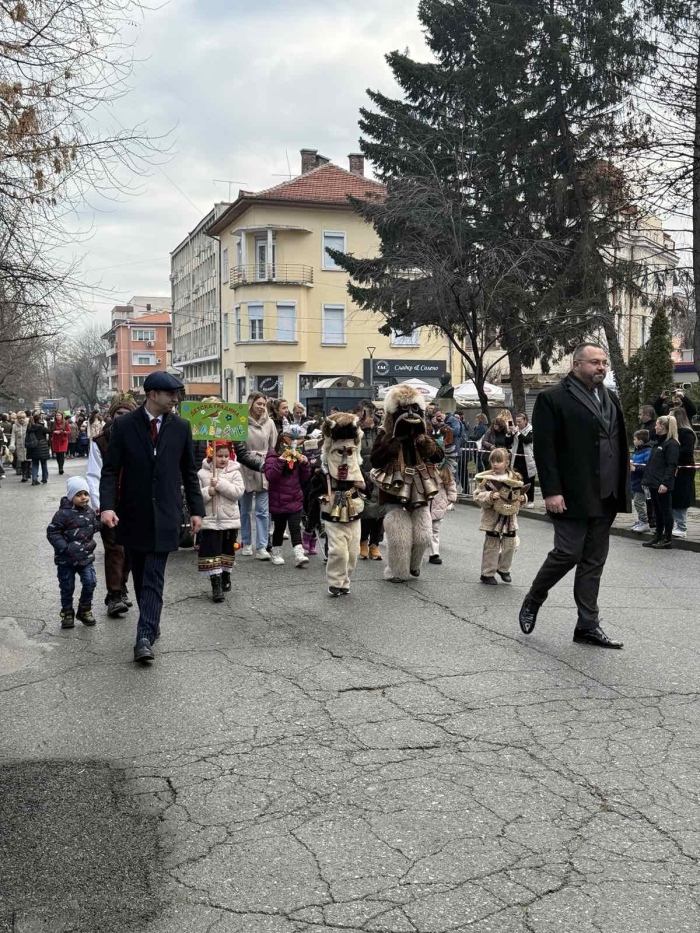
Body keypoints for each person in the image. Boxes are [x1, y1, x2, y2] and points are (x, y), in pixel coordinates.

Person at [518, 343, 630, 649]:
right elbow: (545, 448)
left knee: (593, 561)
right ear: (577, 364)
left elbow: (615, 440)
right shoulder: (551, 398)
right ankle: (534, 598)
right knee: (568, 553)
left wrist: (623, 481)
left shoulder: (610, 397)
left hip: (607, 492)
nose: (602, 367)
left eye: (604, 363)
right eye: (595, 362)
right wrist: (551, 490)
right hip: (570, 494)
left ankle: (587, 625)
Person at [99, 371, 204, 663]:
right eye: (171, 394)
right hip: (133, 513)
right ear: (153, 395)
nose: (175, 399)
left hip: (166, 514)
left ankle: (144, 636)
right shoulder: (123, 425)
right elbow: (110, 470)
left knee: (154, 576)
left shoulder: (181, 427)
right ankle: (151, 623)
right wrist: (107, 507)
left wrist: (197, 511)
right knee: (141, 574)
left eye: (177, 394)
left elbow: (189, 473)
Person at [87, 394, 138, 617]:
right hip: (110, 502)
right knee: (114, 548)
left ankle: (122, 586)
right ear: (112, 415)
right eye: (119, 414)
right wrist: (101, 506)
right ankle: (114, 595)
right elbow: (94, 475)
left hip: (134, 500)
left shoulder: (140, 436)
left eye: (127, 414)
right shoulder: (101, 441)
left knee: (129, 548)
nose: (122, 418)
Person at [310, 413, 366, 595]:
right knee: (338, 551)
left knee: (353, 552)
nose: (344, 456)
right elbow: (312, 494)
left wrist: (362, 484)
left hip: (354, 512)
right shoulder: (323, 472)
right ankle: (335, 582)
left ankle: (345, 581)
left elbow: (369, 490)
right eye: (340, 452)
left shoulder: (357, 469)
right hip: (332, 513)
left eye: (348, 452)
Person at [46, 476, 100, 629]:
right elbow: (52, 532)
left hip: (85, 557)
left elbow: (93, 526)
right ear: (71, 496)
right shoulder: (62, 514)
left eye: (86, 494)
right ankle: (67, 612)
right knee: (67, 587)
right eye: (79, 494)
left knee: (90, 582)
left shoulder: (90, 512)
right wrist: (64, 547)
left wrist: (103, 520)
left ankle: (85, 609)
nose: (84, 497)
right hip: (66, 560)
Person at [197, 441, 245, 601]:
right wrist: (207, 492)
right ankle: (215, 585)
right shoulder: (203, 474)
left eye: (226, 456)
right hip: (210, 521)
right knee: (211, 552)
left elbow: (238, 492)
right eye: (219, 456)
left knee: (227, 551)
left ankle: (225, 576)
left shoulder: (235, 472)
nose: (223, 459)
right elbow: (195, 496)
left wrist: (220, 484)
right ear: (212, 454)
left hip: (229, 520)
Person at [473, 448, 528, 584]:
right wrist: (490, 496)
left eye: (498, 461)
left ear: (507, 462)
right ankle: (487, 573)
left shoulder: (515, 478)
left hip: (509, 518)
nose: (495, 464)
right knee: (492, 545)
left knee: (510, 544)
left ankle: (503, 569)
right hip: (493, 517)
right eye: (492, 461)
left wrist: (523, 498)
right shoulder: (486, 479)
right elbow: (477, 496)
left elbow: (519, 494)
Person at [263, 424, 311, 566]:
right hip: (278, 499)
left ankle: (299, 553)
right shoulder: (272, 454)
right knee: (279, 528)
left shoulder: (299, 454)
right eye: (290, 439)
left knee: (295, 526)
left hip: (295, 496)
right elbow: (270, 476)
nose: (294, 443)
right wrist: (281, 460)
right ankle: (276, 551)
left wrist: (304, 464)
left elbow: (304, 478)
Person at [239, 393, 277, 559]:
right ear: (250, 404)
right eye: (258, 403)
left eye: (264, 404)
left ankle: (261, 546)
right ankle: (246, 542)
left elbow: (273, 447)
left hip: (264, 466)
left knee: (262, 510)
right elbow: (238, 447)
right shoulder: (240, 420)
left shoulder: (269, 423)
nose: (261, 407)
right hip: (245, 466)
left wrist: (270, 464)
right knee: (245, 510)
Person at [642, 415, 681, 550]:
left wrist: (665, 483)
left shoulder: (672, 444)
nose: (655, 427)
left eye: (657, 425)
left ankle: (667, 538)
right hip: (653, 482)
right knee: (657, 510)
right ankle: (658, 534)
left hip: (662, 483)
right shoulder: (658, 442)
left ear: (664, 427)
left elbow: (671, 465)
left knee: (666, 511)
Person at [669, 406, 697, 539]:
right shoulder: (672, 433)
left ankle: (681, 526)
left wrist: (672, 453)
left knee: (681, 497)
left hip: (684, 470)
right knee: (674, 497)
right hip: (674, 469)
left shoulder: (686, 433)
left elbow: (686, 451)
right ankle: (675, 524)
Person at [427, 449, 458, 565]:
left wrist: (449, 500)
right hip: (425, 505)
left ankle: (434, 553)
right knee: (423, 529)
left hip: (438, 505)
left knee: (435, 530)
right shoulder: (425, 470)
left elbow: (451, 486)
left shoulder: (445, 472)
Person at [629, 429, 654, 534]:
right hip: (635, 480)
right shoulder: (637, 450)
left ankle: (644, 522)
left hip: (642, 481)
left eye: (635, 439)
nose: (633, 441)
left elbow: (648, 467)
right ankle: (641, 520)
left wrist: (635, 469)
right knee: (637, 502)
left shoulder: (647, 451)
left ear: (641, 441)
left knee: (639, 502)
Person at [511, 413, 536, 507]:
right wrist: (510, 434)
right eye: (516, 421)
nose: (518, 423)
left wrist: (517, 433)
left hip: (528, 460)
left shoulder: (531, 430)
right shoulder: (516, 430)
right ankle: (519, 499)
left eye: (520, 421)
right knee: (517, 481)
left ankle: (530, 500)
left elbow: (527, 440)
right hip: (517, 459)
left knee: (529, 480)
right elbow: (508, 443)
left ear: (525, 421)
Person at [27, 414, 51, 485]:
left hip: (33, 447)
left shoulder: (29, 427)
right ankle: (44, 478)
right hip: (42, 446)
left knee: (35, 464)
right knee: (44, 463)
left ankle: (34, 479)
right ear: (40, 419)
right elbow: (49, 431)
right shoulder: (41, 427)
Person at [10, 411, 30, 482]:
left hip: (28, 445)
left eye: (23, 418)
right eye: (20, 418)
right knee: (22, 460)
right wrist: (12, 445)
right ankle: (24, 475)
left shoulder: (28, 424)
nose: (21, 419)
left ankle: (28, 472)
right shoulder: (14, 426)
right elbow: (13, 436)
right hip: (20, 445)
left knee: (28, 460)